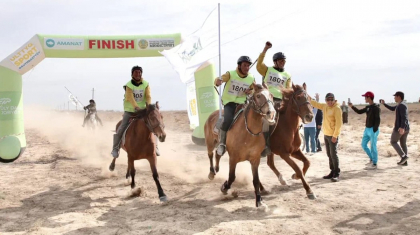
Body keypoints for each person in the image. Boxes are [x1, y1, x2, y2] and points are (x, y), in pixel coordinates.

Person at [215, 56, 256, 156]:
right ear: (239, 65)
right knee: (228, 120)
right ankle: (222, 143)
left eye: (248, 66)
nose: (247, 68)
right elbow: (219, 79)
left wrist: (250, 91)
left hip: (243, 103)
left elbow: (254, 89)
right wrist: (218, 81)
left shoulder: (251, 78)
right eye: (245, 65)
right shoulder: (230, 74)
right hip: (229, 102)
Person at [256, 41, 292, 157]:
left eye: (284, 61)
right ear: (275, 62)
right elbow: (259, 65)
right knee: (267, 121)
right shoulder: (267, 70)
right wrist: (265, 49)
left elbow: (288, 89)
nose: (283, 63)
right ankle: (265, 145)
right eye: (281, 61)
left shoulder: (287, 75)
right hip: (268, 100)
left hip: (281, 101)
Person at [110, 65, 152, 158]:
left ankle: (155, 147)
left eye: (139, 72)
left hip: (143, 110)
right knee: (122, 127)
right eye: (136, 72)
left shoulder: (146, 84)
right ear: (132, 74)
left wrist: (148, 106)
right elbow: (130, 97)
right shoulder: (128, 85)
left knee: (153, 125)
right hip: (130, 110)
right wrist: (136, 107)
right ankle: (115, 148)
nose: (138, 74)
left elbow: (148, 96)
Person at [310, 93, 343, 182]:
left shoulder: (337, 109)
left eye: (331, 99)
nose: (329, 101)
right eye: (328, 100)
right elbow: (315, 104)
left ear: (334, 100)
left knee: (333, 154)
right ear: (325, 100)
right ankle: (332, 171)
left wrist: (335, 135)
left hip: (333, 135)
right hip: (326, 134)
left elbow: (339, 124)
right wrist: (306, 95)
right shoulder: (325, 106)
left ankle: (337, 173)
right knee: (329, 154)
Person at [348, 91, 381, 170]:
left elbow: (378, 119)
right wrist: (352, 106)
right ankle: (372, 158)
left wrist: (375, 129)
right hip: (367, 129)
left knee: (373, 146)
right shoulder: (368, 107)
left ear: (369, 97)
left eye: (365, 97)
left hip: (373, 129)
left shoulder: (376, 108)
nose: (364, 99)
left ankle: (375, 163)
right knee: (363, 144)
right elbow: (359, 112)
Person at [380, 91, 410, 165]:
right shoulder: (400, 105)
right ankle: (404, 161)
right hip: (406, 128)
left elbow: (404, 117)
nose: (394, 98)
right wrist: (384, 104)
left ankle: (403, 157)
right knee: (403, 144)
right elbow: (392, 108)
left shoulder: (401, 105)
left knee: (393, 141)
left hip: (400, 128)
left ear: (399, 97)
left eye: (395, 96)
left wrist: (402, 127)